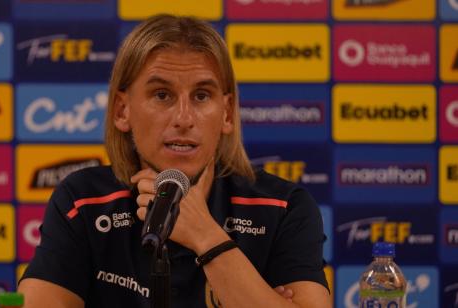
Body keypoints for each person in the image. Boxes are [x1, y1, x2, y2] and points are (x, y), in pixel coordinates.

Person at [18, 14, 330, 308]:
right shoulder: (83, 201)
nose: (184, 118)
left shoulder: (284, 207)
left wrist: (206, 236)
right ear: (121, 111)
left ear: (226, 112)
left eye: (202, 96)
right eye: (162, 95)